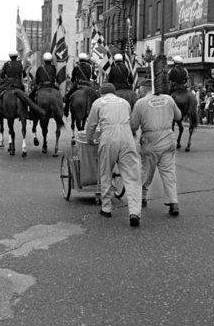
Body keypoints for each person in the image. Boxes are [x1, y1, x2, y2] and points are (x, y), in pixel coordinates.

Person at [85, 82, 142, 227]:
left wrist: (90, 138)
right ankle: (134, 211)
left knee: (106, 172)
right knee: (132, 176)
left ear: (102, 93)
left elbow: (91, 124)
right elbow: (129, 120)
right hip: (126, 136)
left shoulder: (98, 102)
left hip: (108, 136)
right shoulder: (124, 102)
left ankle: (106, 207)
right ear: (114, 92)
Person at [131, 79, 182, 217]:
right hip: (168, 138)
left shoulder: (140, 103)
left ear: (143, 89)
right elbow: (178, 116)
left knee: (146, 171)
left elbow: (133, 125)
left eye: (139, 89)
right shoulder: (169, 99)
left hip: (151, 140)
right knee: (169, 172)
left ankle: (142, 197)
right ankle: (173, 202)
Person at [0, 50, 28, 119]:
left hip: (8, 84)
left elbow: (2, 75)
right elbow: (24, 75)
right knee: (25, 97)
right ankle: (26, 112)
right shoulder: (20, 64)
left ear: (10, 57)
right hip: (18, 85)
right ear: (17, 56)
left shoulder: (6, 64)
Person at [63, 52, 96, 117]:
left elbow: (73, 78)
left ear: (80, 60)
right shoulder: (90, 67)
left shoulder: (76, 67)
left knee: (67, 96)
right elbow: (94, 76)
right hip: (88, 85)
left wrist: (73, 81)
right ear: (86, 59)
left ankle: (66, 111)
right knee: (96, 96)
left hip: (78, 84)